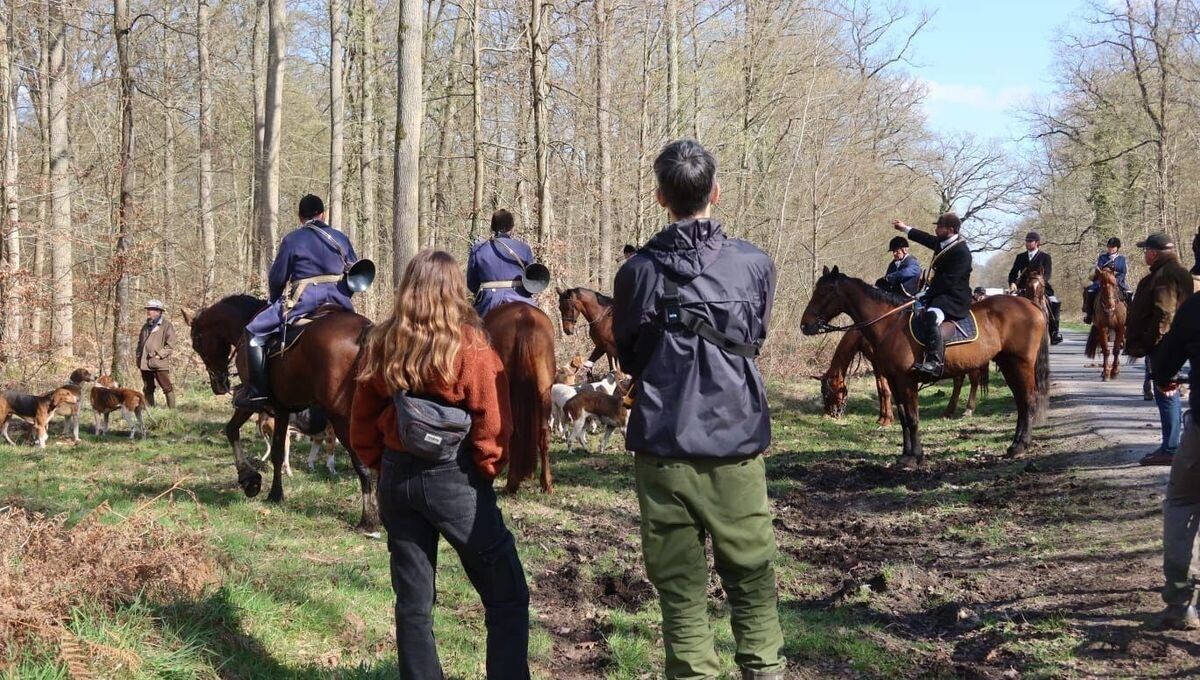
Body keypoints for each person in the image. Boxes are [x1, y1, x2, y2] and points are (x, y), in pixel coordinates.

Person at [612, 139, 785, 680]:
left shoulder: (636, 273)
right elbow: (755, 337)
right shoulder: (755, 265)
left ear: (661, 197)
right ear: (716, 192)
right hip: (736, 445)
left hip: (664, 447)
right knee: (752, 581)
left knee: (681, 593)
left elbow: (629, 354)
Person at [350, 250, 530, 679]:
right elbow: (494, 423)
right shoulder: (471, 347)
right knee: (507, 594)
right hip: (454, 480)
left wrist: (381, 464)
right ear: (455, 290)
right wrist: (486, 469)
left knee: (413, 605)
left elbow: (362, 418)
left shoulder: (383, 342)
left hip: (397, 478)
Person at [238, 194, 360, 407]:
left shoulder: (293, 239)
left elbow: (278, 278)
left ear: (300, 217)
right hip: (341, 302)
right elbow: (356, 272)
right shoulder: (341, 238)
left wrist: (274, 299)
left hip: (304, 301)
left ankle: (257, 392)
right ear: (323, 214)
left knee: (253, 330)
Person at [1150, 288, 1200, 629]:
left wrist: (1165, 375)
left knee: (1182, 502)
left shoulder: (1195, 306)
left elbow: (1165, 363)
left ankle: (1179, 601)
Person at [1126, 233, 1194, 466]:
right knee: (1168, 392)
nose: (1144, 254)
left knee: (1166, 393)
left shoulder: (1164, 275)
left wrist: (1150, 341)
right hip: (1172, 342)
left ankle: (1170, 447)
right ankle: (1170, 445)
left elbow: (1165, 313)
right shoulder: (1177, 271)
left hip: (1163, 345)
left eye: (1146, 250)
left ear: (1154, 253)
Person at [891, 212, 973, 380]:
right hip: (940, 294)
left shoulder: (962, 252)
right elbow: (925, 238)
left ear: (951, 229)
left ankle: (934, 362)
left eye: (940, 227)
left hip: (953, 298)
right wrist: (904, 228)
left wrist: (926, 293)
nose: (936, 230)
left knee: (931, 316)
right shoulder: (943, 243)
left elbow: (949, 281)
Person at [466, 209, 537, 318]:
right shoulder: (524, 248)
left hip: (488, 302)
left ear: (492, 228)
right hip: (521, 298)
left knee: (470, 325)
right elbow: (531, 282)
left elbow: (472, 284)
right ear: (512, 228)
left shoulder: (478, 248)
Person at [1008, 231, 1063, 344]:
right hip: (1023, 287)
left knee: (1054, 302)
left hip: (1041, 287)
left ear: (1037, 243)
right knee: (1009, 302)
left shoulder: (1045, 257)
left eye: (1030, 241)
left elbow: (1047, 274)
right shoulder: (1020, 257)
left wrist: (1039, 283)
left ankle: (1054, 332)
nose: (1027, 243)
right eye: (1026, 241)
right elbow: (1013, 273)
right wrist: (1012, 283)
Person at [136, 299, 177, 408]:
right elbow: (140, 343)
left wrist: (159, 356)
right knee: (148, 388)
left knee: (167, 387)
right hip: (144, 363)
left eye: (151, 309)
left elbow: (170, 345)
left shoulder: (167, 326)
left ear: (158, 312)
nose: (148, 311)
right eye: (148, 309)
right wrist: (138, 356)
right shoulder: (145, 326)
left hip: (159, 363)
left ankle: (172, 412)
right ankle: (150, 410)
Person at [1082, 237, 1131, 324]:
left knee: (1129, 293)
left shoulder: (1122, 259)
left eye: (1113, 247)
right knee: (1090, 291)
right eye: (1109, 247)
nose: (1110, 248)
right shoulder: (1102, 257)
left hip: (1117, 282)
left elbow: (1123, 272)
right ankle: (1089, 314)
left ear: (1117, 248)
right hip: (1103, 281)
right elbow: (1099, 270)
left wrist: (1116, 280)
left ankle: (1130, 315)